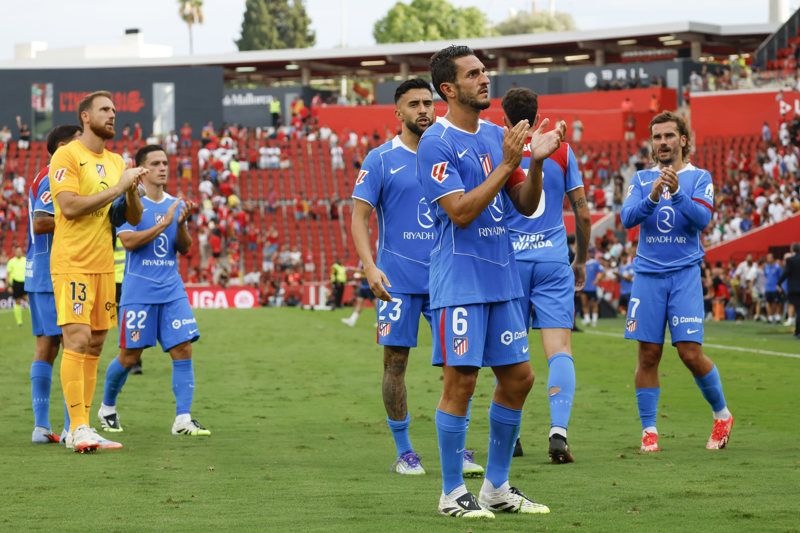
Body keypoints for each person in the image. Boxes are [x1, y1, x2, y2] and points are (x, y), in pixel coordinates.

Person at [417, 45, 565, 518]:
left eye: (484, 71)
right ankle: (450, 492)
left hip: (502, 279)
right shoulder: (435, 143)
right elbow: (459, 212)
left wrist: (536, 161)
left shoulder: (496, 136)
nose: (486, 79)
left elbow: (522, 203)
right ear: (448, 88)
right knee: (460, 382)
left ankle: (497, 488)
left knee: (519, 379)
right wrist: (506, 162)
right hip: (460, 281)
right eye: (474, 73)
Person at [350, 78, 486, 476]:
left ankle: (457, 449)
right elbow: (358, 217)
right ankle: (405, 451)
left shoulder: (449, 149)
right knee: (395, 364)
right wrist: (369, 266)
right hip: (397, 282)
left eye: (428, 102)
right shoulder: (380, 159)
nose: (423, 109)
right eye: (414, 104)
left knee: (459, 366)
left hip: (449, 276)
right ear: (399, 113)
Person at [621, 111, 733, 453]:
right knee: (648, 354)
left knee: (689, 353)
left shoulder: (699, 177)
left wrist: (677, 194)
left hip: (684, 275)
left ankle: (722, 415)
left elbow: (702, 219)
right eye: (657, 137)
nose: (663, 143)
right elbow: (627, 218)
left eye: (669, 136)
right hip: (647, 275)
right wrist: (654, 196)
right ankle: (650, 430)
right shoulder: (641, 179)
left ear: (683, 140)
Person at [50, 90, 146, 453]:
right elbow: (69, 206)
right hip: (72, 261)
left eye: (115, 110)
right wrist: (119, 187)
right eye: (105, 109)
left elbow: (131, 217)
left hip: (104, 265)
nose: (112, 115)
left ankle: (84, 426)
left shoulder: (117, 161)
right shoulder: (68, 154)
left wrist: (131, 191)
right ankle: (76, 426)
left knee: (94, 343)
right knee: (75, 340)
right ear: (85, 117)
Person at [500, 88, 591, 464]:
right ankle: (558, 433)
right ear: (539, 117)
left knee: (510, 352)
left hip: (511, 263)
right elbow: (583, 215)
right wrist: (581, 260)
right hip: (554, 260)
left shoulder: (499, 150)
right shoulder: (562, 150)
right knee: (560, 350)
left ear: (503, 117)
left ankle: (513, 434)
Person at [98, 145, 209, 436]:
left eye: (165, 163)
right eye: (156, 163)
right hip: (139, 293)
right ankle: (107, 408)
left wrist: (181, 224)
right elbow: (130, 242)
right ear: (142, 169)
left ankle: (182, 419)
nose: (163, 168)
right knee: (129, 356)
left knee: (183, 349)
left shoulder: (175, 204)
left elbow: (184, 248)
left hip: (172, 290)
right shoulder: (126, 204)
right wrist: (164, 224)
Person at [25, 124, 82, 444]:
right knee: (72, 343)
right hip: (52, 271)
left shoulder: (46, 175)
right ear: (63, 146)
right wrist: (82, 213)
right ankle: (71, 425)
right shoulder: (52, 175)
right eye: (77, 141)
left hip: (43, 271)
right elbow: (41, 220)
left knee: (49, 347)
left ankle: (43, 427)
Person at [778, 243, 800, 338]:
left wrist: (779, 283)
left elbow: (786, 273)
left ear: (792, 249)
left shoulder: (790, 260)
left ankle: (798, 331)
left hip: (793, 288)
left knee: (798, 310)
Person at [580, 252, 604, 327]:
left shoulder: (595, 263)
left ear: (590, 254)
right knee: (584, 304)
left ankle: (594, 321)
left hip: (592, 288)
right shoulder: (581, 263)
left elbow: (602, 271)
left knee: (594, 304)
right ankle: (587, 321)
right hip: (583, 287)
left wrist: (597, 279)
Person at [6, 245, 27, 327]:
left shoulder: (25, 260)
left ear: (21, 252)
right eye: (17, 251)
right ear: (15, 252)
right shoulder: (11, 261)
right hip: (16, 284)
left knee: (29, 301)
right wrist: (9, 286)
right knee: (17, 302)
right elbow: (8, 275)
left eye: (20, 251)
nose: (18, 252)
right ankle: (19, 322)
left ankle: (34, 320)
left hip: (25, 283)